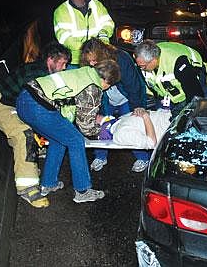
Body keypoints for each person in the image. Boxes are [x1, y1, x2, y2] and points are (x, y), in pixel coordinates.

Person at [16, 60, 121, 203]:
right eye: (109, 86)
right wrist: (104, 131)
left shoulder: (84, 72)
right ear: (106, 80)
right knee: (76, 141)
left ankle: (48, 183)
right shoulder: (93, 87)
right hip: (38, 107)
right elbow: (86, 126)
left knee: (58, 140)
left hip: (23, 100)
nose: (106, 89)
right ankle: (82, 191)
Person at [0, 42, 70, 208]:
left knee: (31, 132)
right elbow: (40, 106)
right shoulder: (37, 75)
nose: (64, 67)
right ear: (50, 59)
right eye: (62, 63)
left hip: (15, 104)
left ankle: (28, 163)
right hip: (0, 104)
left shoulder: (44, 72)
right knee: (24, 135)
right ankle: (27, 188)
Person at [79, 38, 149, 172]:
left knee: (130, 126)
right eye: (89, 60)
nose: (92, 63)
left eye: (94, 59)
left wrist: (137, 107)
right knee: (101, 125)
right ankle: (100, 156)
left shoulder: (121, 58)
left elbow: (133, 85)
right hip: (107, 99)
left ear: (102, 54)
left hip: (125, 97)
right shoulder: (89, 65)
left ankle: (143, 157)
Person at [134, 39, 206, 117]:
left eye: (143, 66)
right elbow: (144, 86)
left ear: (154, 60)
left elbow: (195, 95)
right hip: (167, 96)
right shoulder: (143, 62)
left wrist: (189, 115)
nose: (141, 68)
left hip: (192, 85)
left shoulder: (178, 62)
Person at [53, 0, 114, 67]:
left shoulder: (96, 5)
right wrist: (86, 49)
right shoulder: (61, 11)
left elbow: (108, 23)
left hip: (98, 58)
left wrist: (104, 33)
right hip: (75, 61)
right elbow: (64, 37)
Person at [99, 108, 172, 150]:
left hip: (170, 114)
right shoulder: (119, 134)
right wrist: (145, 116)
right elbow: (151, 143)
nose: (96, 114)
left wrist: (144, 111)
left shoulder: (120, 119)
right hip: (170, 127)